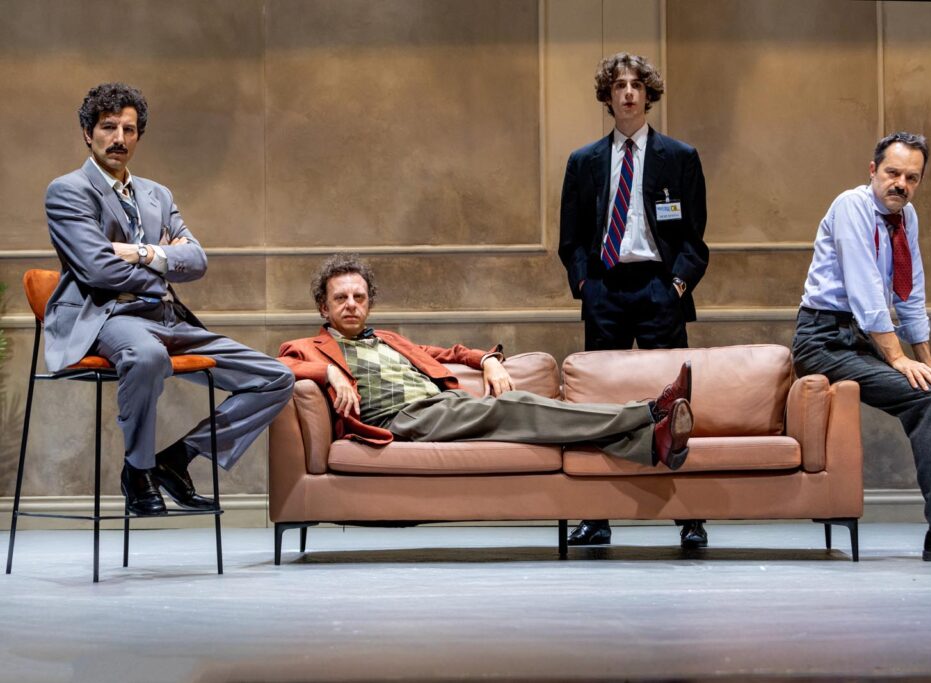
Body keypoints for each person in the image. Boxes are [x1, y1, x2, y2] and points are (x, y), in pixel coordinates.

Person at [44, 83, 294, 516]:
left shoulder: (157, 194)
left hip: (167, 318)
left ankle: (177, 459)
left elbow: (196, 260)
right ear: (88, 133)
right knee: (146, 357)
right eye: (108, 127)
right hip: (108, 317)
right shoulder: (68, 191)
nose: (119, 138)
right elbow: (99, 270)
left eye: (129, 129)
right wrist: (163, 263)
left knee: (276, 378)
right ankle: (138, 470)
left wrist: (143, 252)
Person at [792, 131, 931, 562]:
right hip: (823, 341)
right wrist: (897, 358)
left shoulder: (905, 217)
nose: (901, 184)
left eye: (912, 178)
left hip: (859, 339)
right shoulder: (851, 206)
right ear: (873, 170)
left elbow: (910, 293)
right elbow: (865, 293)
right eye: (893, 173)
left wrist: (927, 362)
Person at [278, 254, 696, 477]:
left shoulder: (388, 340)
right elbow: (275, 369)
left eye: (359, 297)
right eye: (341, 298)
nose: (351, 305)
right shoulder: (308, 347)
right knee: (514, 406)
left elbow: (450, 353)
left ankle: (650, 444)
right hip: (400, 419)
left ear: (369, 303)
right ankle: (649, 411)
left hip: (442, 409)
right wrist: (328, 371)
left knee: (541, 427)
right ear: (324, 307)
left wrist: (489, 360)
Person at [557, 52, 709, 548]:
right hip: (605, 288)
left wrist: (676, 288)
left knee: (674, 402)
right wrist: (587, 286)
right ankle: (596, 516)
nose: (627, 93)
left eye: (636, 85)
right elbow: (570, 240)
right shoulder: (584, 162)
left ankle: (689, 517)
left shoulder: (680, 157)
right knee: (601, 405)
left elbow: (694, 240)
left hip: (659, 288)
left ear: (648, 94)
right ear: (607, 96)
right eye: (619, 85)